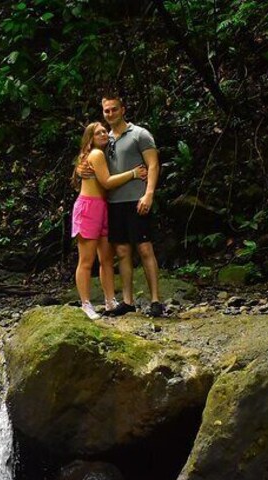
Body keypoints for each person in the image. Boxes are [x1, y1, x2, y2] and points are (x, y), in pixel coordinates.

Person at [71, 122, 147, 320]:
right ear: (91, 138)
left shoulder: (104, 154)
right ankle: (86, 304)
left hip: (103, 207)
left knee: (106, 258)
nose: (104, 134)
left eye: (105, 131)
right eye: (98, 133)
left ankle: (110, 300)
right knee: (86, 260)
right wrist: (134, 173)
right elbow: (106, 182)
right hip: (89, 207)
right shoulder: (95, 154)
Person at [100, 95, 163, 317]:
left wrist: (149, 194)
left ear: (123, 110)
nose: (110, 114)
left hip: (138, 199)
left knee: (145, 248)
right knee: (123, 251)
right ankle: (127, 301)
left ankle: (155, 299)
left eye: (114, 109)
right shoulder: (104, 139)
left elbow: (153, 164)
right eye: (106, 111)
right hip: (115, 202)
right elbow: (91, 161)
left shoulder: (140, 134)